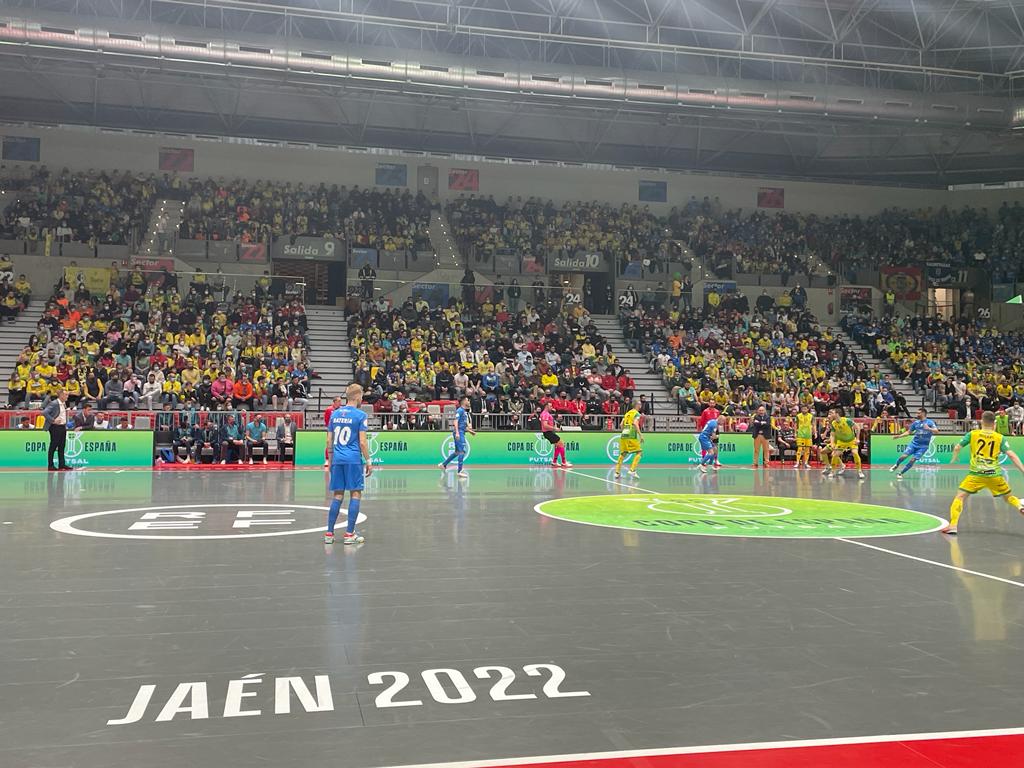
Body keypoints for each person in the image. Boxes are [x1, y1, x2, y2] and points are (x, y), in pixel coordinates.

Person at [944, 410, 1024, 535]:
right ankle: (1020, 507)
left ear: (981, 421)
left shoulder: (973, 434)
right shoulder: (999, 438)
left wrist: (955, 456)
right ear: (994, 423)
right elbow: (1011, 455)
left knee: (960, 497)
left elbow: (957, 447)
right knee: (1008, 498)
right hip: (995, 475)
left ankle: (953, 525)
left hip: (976, 474)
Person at [325, 382, 372, 545]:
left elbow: (329, 440)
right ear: (358, 396)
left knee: (337, 495)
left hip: (338, 459)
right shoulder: (360, 415)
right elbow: (363, 442)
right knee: (355, 493)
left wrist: (330, 460)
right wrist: (368, 460)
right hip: (352, 460)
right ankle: (349, 534)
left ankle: (329, 533)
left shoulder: (334, 414)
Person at [890, 408, 938, 478]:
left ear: (923, 413)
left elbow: (937, 431)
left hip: (923, 446)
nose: (917, 414)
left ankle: (900, 473)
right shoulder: (916, 423)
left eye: (918, 413)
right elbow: (909, 432)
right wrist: (899, 436)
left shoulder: (930, 422)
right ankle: (896, 465)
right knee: (904, 456)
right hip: (914, 444)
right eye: (917, 413)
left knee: (913, 460)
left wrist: (929, 429)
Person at [439, 396, 475, 477]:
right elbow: (455, 421)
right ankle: (459, 471)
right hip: (459, 433)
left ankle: (443, 464)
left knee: (457, 452)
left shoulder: (464, 412)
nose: (469, 401)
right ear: (463, 402)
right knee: (462, 451)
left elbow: (462, 425)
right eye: (467, 400)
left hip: (462, 432)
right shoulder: (460, 410)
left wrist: (470, 431)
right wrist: (458, 433)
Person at [826, 407, 864, 479]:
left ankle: (859, 471)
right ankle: (833, 471)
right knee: (834, 455)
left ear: (837, 414)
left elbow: (858, 427)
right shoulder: (833, 423)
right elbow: (832, 434)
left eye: (832, 413)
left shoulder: (847, 420)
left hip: (851, 440)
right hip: (841, 441)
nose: (830, 414)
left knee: (855, 453)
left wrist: (858, 439)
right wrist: (832, 443)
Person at [41, 388, 70, 471]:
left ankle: (62, 464)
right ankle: (50, 465)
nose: (67, 396)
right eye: (66, 394)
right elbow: (44, 412)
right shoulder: (54, 403)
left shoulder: (64, 403)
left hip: (62, 427)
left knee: (62, 446)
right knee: (53, 446)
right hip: (55, 427)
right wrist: (53, 420)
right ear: (60, 395)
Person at [614, 404, 644, 480]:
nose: (640, 406)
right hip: (631, 435)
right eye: (640, 404)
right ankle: (632, 470)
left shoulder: (627, 413)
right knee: (639, 452)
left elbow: (621, 425)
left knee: (623, 453)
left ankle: (617, 472)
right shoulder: (637, 414)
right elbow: (635, 424)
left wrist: (625, 431)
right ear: (637, 405)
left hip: (624, 434)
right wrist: (640, 435)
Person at [540, 402, 571, 468]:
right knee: (561, 444)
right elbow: (545, 425)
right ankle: (564, 462)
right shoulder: (545, 414)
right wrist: (555, 428)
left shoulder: (546, 414)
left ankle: (554, 462)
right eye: (550, 406)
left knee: (558, 446)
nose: (552, 407)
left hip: (549, 432)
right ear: (546, 406)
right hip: (548, 432)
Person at [795, 404, 815, 469]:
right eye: (803, 409)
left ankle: (806, 463)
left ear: (808, 409)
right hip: (800, 434)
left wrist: (815, 432)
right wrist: (795, 432)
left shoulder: (811, 416)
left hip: (808, 435)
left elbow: (813, 425)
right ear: (801, 409)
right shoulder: (798, 416)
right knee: (800, 449)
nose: (804, 410)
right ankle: (797, 462)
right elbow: (795, 425)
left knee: (807, 450)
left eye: (805, 409)